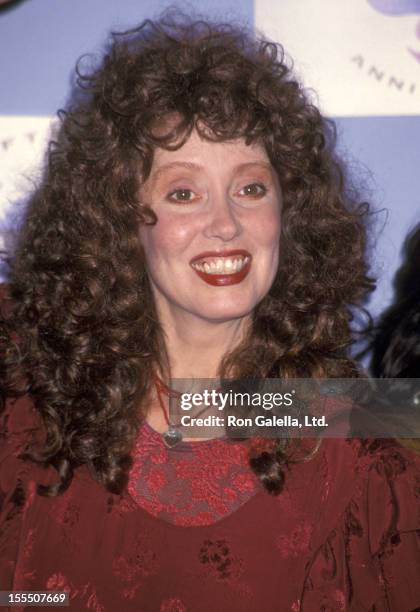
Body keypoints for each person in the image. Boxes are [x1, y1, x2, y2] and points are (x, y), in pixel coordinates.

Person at [1, 14, 419, 612]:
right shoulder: (22, 402)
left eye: (251, 188)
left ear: (289, 211)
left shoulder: (363, 445)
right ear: (117, 221)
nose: (225, 225)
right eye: (183, 193)